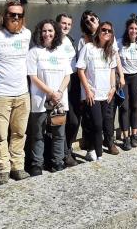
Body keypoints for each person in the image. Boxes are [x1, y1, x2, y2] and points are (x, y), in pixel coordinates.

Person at [0, 1, 31, 186]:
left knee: (20, 133)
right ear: (4, 15)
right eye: (12, 14)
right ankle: (3, 170)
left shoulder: (27, 34)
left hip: (22, 93)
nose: (15, 18)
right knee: (0, 135)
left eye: (19, 15)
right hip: (0, 94)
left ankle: (17, 167)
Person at [27, 19, 73, 175]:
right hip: (40, 100)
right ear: (40, 33)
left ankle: (57, 162)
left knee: (59, 133)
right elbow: (33, 77)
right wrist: (50, 92)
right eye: (44, 31)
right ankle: (36, 164)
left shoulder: (61, 51)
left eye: (50, 31)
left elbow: (67, 75)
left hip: (59, 100)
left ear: (56, 33)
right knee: (38, 133)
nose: (47, 34)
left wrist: (59, 92)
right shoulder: (34, 52)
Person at [77, 11, 123, 155]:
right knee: (95, 123)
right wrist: (87, 90)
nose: (106, 32)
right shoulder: (86, 46)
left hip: (106, 92)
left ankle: (102, 149)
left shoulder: (109, 50)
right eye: (104, 30)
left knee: (106, 120)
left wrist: (113, 87)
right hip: (92, 92)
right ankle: (94, 150)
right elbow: (80, 70)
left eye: (109, 31)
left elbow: (112, 69)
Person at [117, 15, 137, 150]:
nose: (133, 31)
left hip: (135, 78)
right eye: (131, 28)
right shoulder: (119, 43)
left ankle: (134, 135)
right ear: (127, 30)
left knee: (134, 107)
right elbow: (115, 61)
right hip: (123, 79)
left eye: (136, 29)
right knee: (124, 108)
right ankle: (125, 137)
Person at [56, 13, 79, 167]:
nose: (65, 26)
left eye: (69, 24)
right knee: (61, 120)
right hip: (60, 84)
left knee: (75, 120)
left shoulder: (69, 40)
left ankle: (68, 147)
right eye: (63, 23)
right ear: (57, 23)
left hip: (73, 81)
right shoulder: (53, 41)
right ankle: (64, 153)